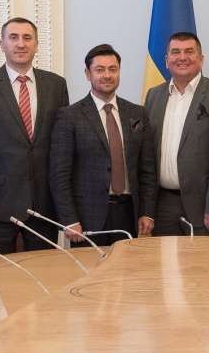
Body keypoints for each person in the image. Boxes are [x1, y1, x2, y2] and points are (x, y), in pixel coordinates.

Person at [0, 17, 69, 253]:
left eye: (27, 38)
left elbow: (62, 149)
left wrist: (64, 205)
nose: (21, 44)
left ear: (36, 44)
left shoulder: (56, 85)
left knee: (45, 271)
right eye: (13, 37)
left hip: (44, 205)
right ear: (2, 44)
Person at [50, 44, 157, 245]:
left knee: (129, 266)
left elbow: (147, 170)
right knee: (91, 266)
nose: (107, 75)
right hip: (86, 218)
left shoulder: (137, 113)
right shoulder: (69, 116)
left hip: (130, 214)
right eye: (99, 70)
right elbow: (59, 174)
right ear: (87, 74)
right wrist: (69, 219)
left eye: (112, 69)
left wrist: (147, 212)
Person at [144, 32, 209, 236]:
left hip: (204, 207)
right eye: (175, 52)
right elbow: (147, 156)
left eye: (189, 51)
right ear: (166, 60)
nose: (182, 57)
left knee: (203, 259)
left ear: (201, 59)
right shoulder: (154, 95)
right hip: (161, 207)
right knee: (161, 258)